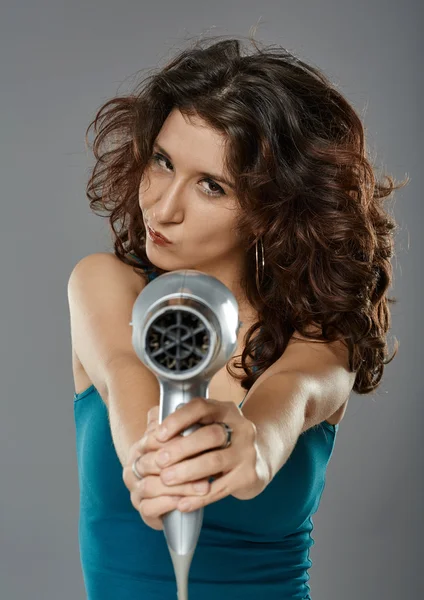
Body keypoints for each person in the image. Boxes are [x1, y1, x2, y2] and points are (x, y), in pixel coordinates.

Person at [68, 34, 408, 599]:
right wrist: (149, 457)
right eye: (163, 161)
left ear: (273, 210)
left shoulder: (323, 340)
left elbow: (292, 395)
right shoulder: (104, 284)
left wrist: (250, 443)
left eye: (211, 186)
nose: (163, 205)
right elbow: (125, 366)